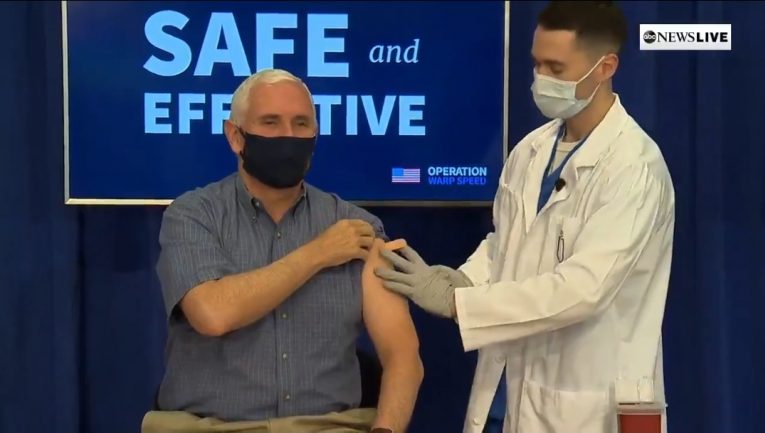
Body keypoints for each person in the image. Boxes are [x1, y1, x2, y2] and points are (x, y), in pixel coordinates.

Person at [374, 2, 675, 433]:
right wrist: (465, 280)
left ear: (606, 67)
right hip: (508, 394)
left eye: (556, 68)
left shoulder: (634, 167)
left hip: (589, 407)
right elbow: (507, 243)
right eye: (537, 64)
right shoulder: (530, 151)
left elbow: (583, 290)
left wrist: (460, 305)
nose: (542, 79)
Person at [144, 68, 424, 433]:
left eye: (301, 124)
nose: (288, 136)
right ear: (235, 136)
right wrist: (318, 253)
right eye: (270, 123)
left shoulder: (358, 228)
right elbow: (212, 313)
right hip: (212, 426)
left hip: (327, 427)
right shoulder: (194, 215)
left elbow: (402, 356)